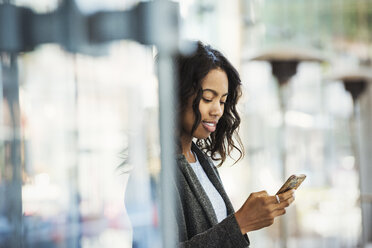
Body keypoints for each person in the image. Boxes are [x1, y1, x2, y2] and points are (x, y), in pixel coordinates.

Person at [174, 41, 295, 247]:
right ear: (177, 95)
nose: (218, 111)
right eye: (207, 98)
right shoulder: (159, 170)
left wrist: (244, 222)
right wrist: (240, 223)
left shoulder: (200, 161)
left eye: (222, 101)